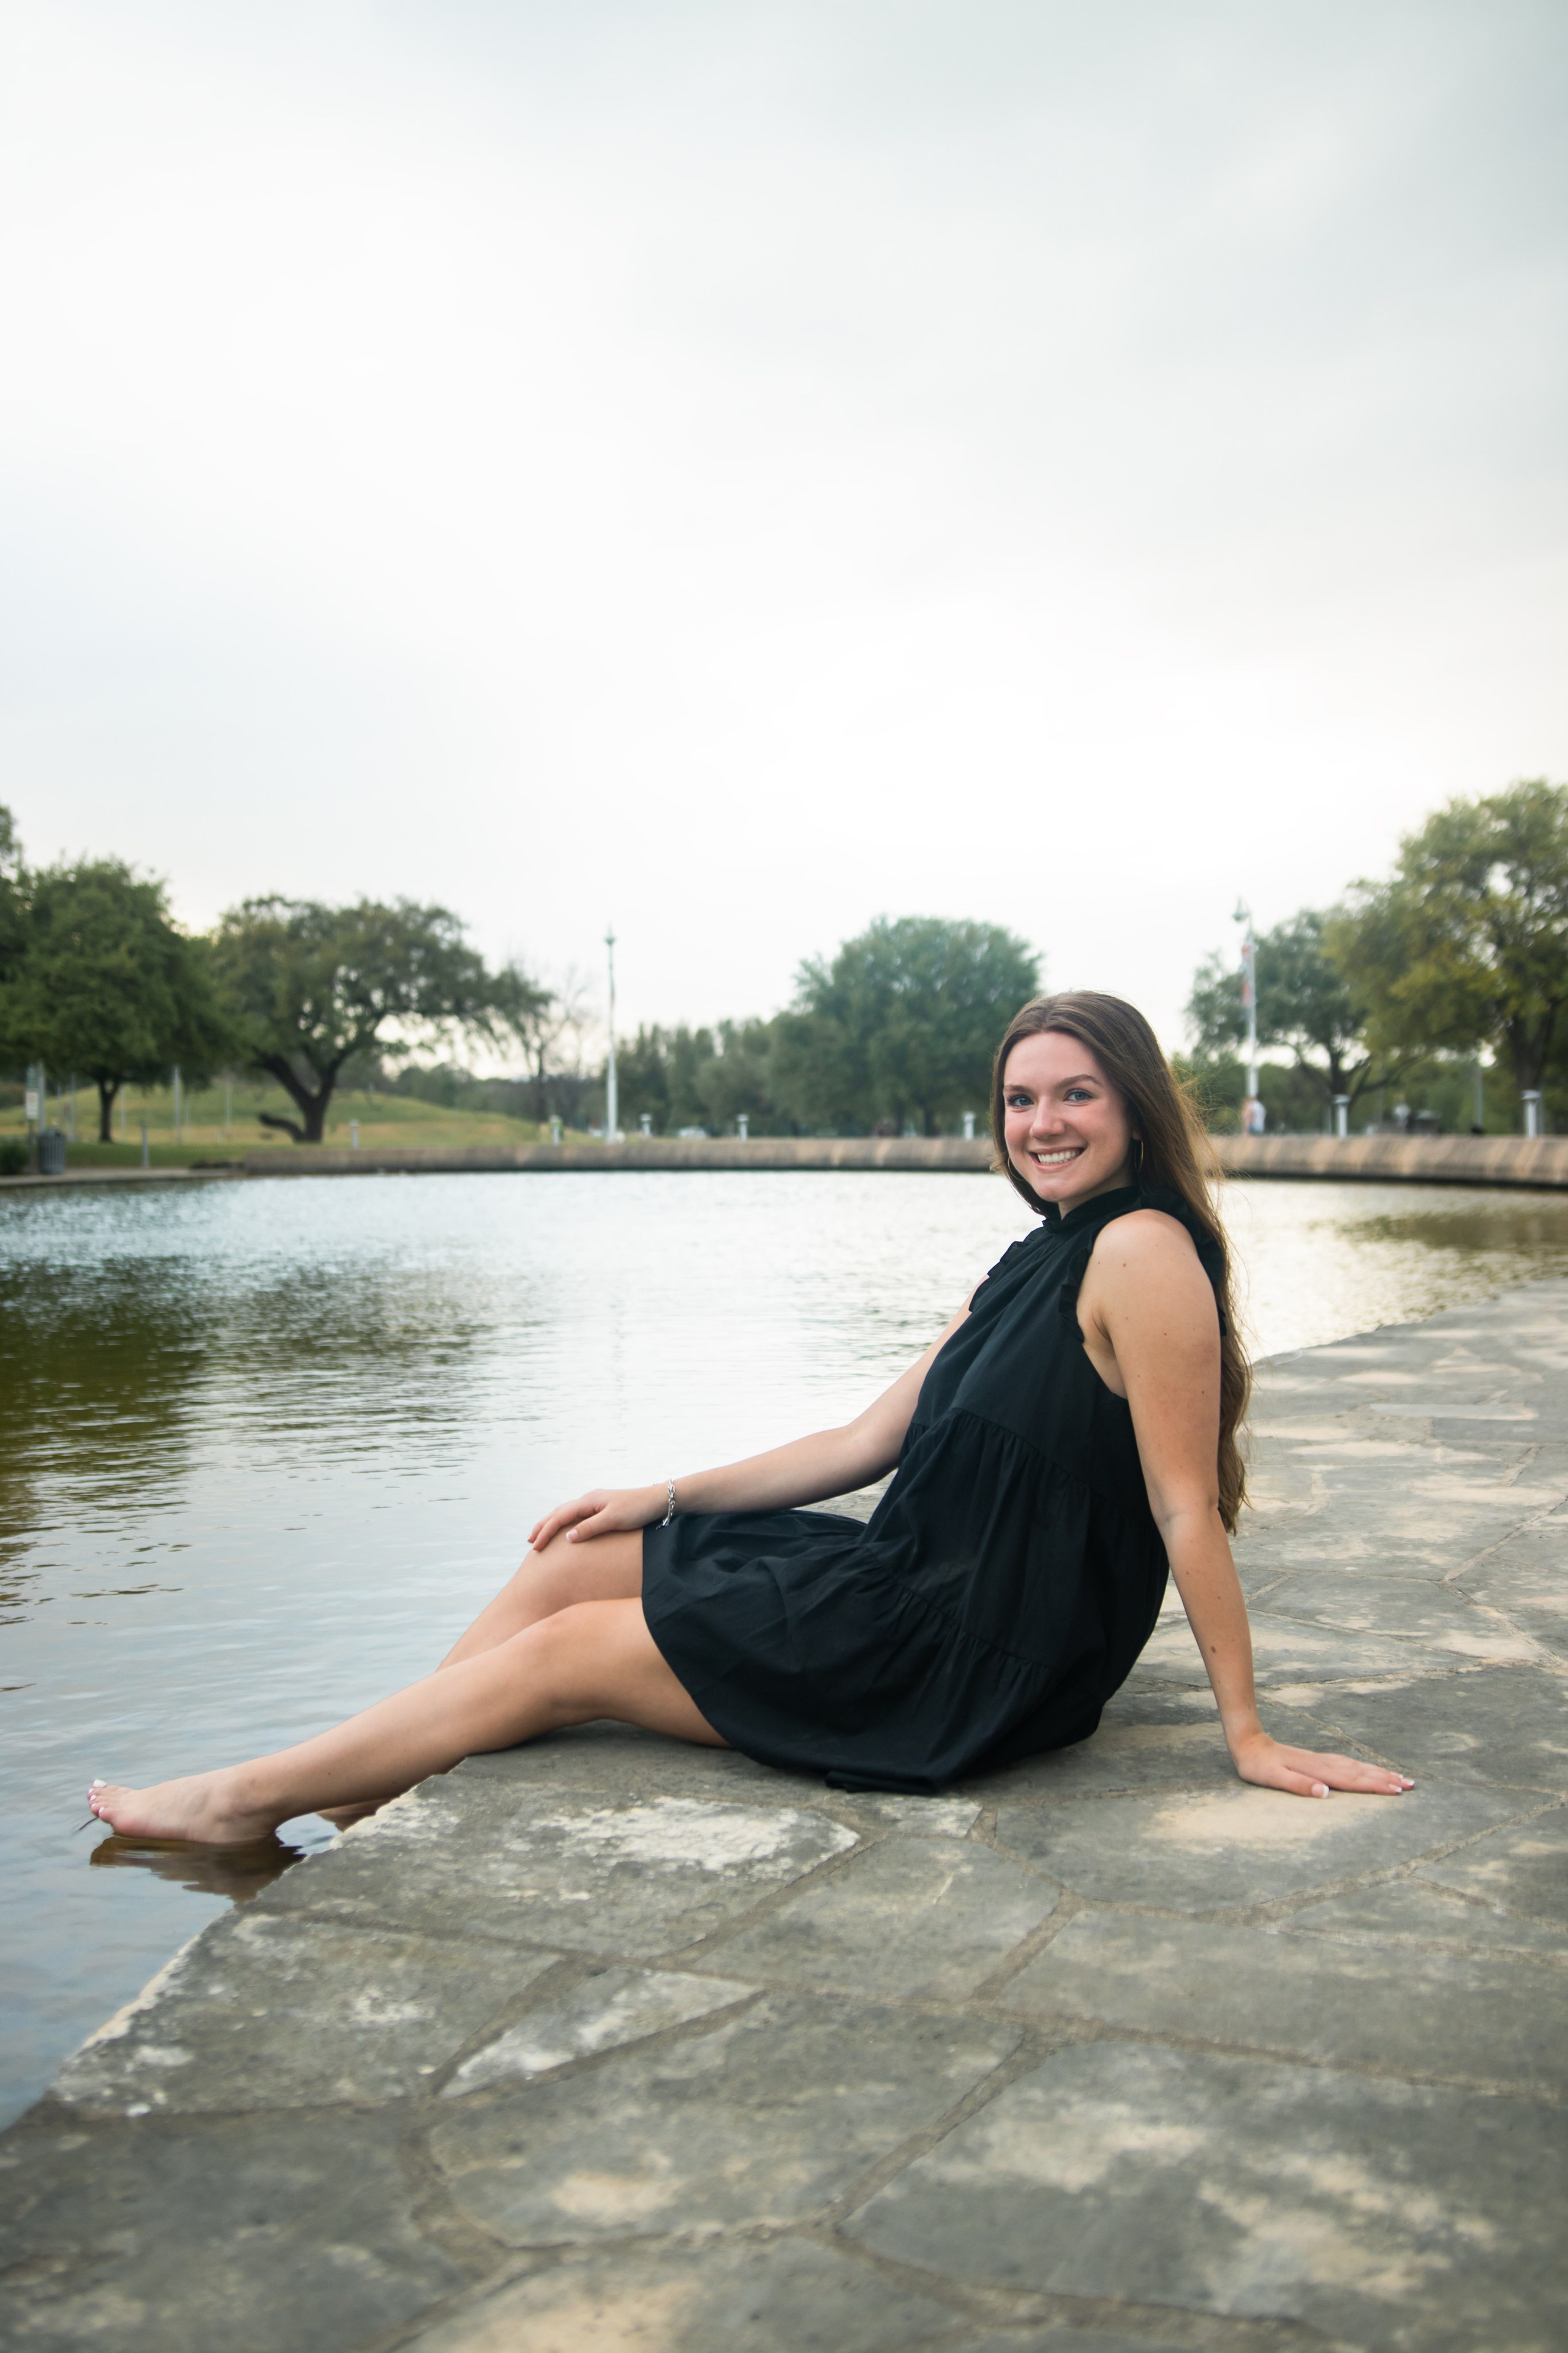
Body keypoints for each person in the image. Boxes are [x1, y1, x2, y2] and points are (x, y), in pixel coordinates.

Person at [88, 991, 1411, 1845]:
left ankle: (244, 1799)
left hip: (966, 1658)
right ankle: (378, 1781)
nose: (1041, 1121)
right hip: (908, 1580)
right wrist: (659, 1494)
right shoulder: (1033, 1258)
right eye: (1019, 1098)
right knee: (574, 1556)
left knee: (570, 1656)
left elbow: (1184, 1503)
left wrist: (1244, 1733)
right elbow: (858, 1444)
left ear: (1131, 1102)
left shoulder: (1141, 1253)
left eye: (1074, 1093)